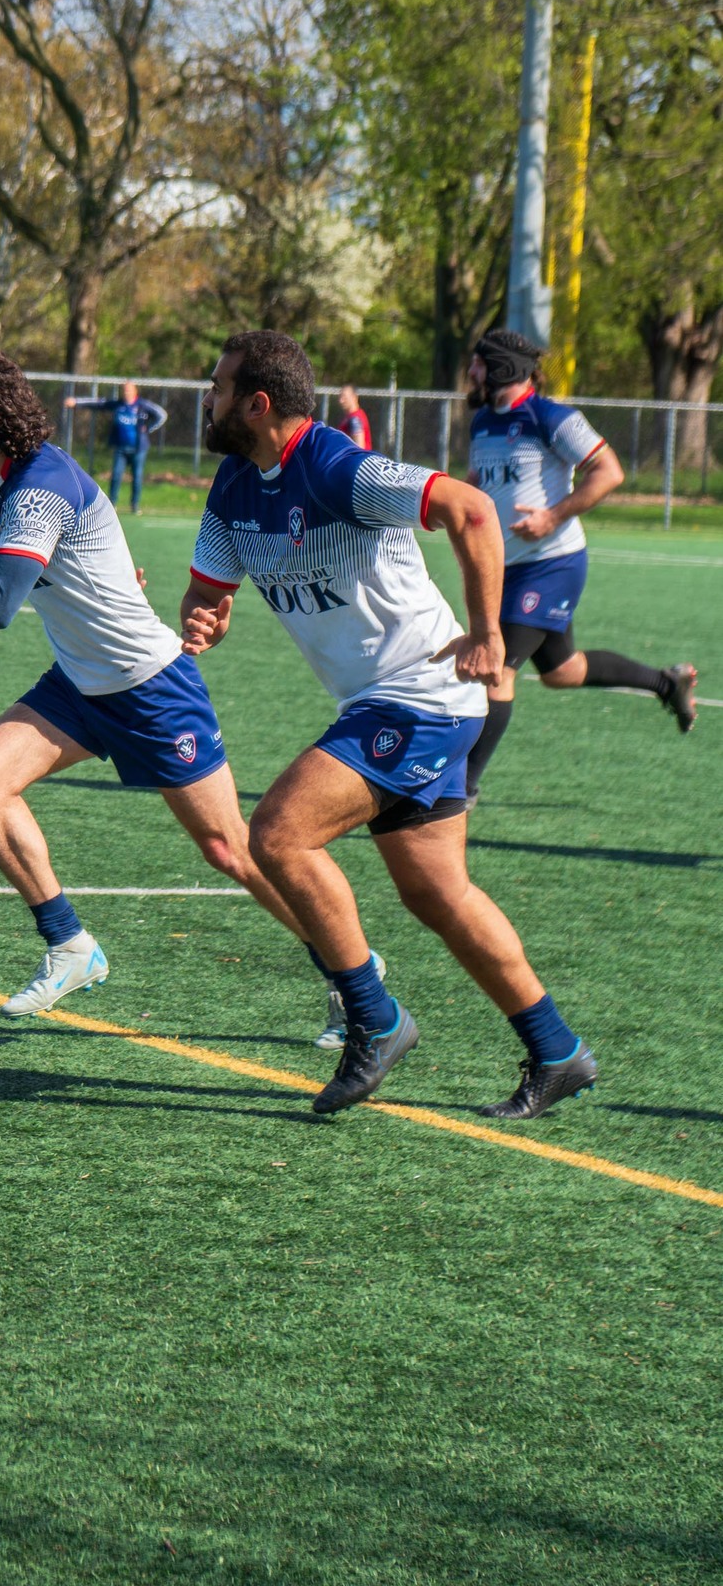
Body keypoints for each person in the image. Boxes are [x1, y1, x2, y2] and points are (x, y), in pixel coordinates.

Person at [0, 348, 336, 1024]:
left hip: (150, 686)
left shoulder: (35, 488)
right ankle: (69, 944)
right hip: (80, 682)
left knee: (229, 849)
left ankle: (347, 970)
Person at [182, 328, 597, 1120]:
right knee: (437, 893)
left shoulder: (337, 466)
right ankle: (558, 1050)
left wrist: (486, 633)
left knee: (273, 834)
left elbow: (472, 511)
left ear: (256, 403)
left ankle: (374, 1019)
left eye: (216, 386)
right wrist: (205, 619)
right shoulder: (230, 491)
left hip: (420, 697)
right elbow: (209, 594)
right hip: (387, 704)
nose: (208, 399)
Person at [461, 328, 696, 798]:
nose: (471, 373)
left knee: (497, 669)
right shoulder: (483, 421)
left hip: (552, 563)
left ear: (504, 368)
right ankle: (666, 683)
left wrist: (552, 516)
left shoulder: (552, 417)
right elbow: (478, 483)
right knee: (561, 671)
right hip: (507, 568)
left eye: (480, 365)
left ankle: (461, 789)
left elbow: (609, 471)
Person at [63, 381, 168, 514]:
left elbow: (162, 415)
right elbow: (98, 403)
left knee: (137, 477)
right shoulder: (117, 405)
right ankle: (112, 504)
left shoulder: (143, 405)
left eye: (129, 390)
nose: (126, 392)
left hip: (138, 449)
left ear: (135, 391)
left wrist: (147, 428)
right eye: (124, 390)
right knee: (116, 475)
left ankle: (135, 505)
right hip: (120, 448)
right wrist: (76, 402)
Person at [336, 383, 371, 449]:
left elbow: (360, 447)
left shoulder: (355, 419)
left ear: (354, 397)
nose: (341, 401)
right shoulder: (350, 417)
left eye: (344, 397)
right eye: (340, 397)